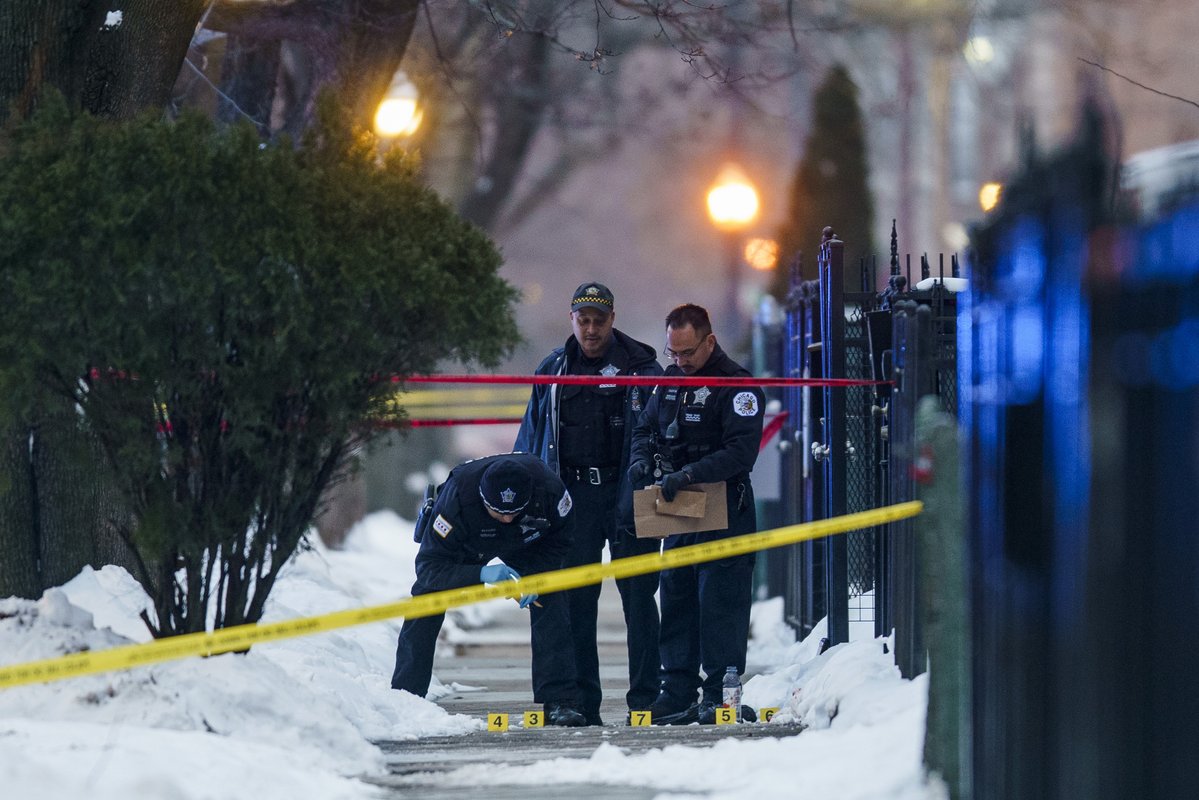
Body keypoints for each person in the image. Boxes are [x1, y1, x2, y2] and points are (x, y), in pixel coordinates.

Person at [514, 281, 664, 726]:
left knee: (639, 599)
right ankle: (579, 705)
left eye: (600, 320)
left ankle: (645, 701)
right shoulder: (555, 369)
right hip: (572, 500)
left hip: (629, 495)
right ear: (572, 320)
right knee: (576, 602)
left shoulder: (641, 370)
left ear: (613, 320)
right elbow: (532, 438)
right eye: (584, 320)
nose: (592, 329)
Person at [628, 303, 765, 725]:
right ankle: (677, 690)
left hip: (725, 507)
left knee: (720, 603)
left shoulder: (738, 387)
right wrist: (641, 460)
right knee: (677, 596)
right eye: (673, 354)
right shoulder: (669, 384)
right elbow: (645, 429)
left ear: (710, 341)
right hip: (679, 512)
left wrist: (689, 474)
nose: (680, 362)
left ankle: (720, 693)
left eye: (687, 353)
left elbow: (741, 453)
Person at [390, 452, 587, 727]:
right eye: (498, 512)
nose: (505, 519)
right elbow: (428, 567)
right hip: (471, 541)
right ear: (483, 500)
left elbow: (562, 539)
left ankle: (561, 701)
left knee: (551, 596)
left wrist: (536, 575)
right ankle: (406, 695)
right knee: (424, 599)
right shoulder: (456, 500)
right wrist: (480, 573)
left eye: (512, 512)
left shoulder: (550, 490)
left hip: (528, 540)